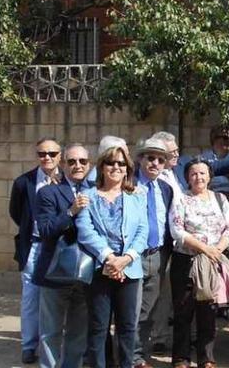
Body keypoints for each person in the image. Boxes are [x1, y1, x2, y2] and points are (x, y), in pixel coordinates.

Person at [76, 146, 150, 368]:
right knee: (98, 327)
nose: (116, 167)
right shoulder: (88, 197)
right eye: (111, 163)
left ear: (127, 169)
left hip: (130, 268)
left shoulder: (137, 197)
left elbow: (142, 231)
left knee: (127, 327)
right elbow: (85, 230)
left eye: (121, 164)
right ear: (102, 168)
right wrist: (110, 258)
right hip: (101, 269)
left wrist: (126, 258)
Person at [168, 158, 229, 368]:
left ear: (209, 176)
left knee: (207, 311)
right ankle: (181, 358)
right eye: (193, 174)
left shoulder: (220, 199)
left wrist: (217, 249)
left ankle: (206, 358)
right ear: (188, 178)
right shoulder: (181, 199)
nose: (198, 177)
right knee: (183, 311)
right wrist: (204, 248)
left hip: (212, 261)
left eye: (202, 173)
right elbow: (177, 230)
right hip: (186, 260)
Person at [32, 143, 91, 368]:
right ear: (63, 164)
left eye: (83, 161)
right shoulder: (48, 192)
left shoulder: (96, 191)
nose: (77, 165)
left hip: (86, 274)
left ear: (89, 164)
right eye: (72, 161)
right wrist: (70, 211)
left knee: (78, 332)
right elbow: (46, 230)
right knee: (51, 332)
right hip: (54, 273)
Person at [11, 136, 63, 364]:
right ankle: (29, 346)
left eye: (52, 154)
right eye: (42, 154)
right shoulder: (24, 182)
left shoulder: (68, 180)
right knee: (31, 299)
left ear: (60, 155)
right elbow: (16, 213)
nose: (47, 158)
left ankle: (55, 347)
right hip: (33, 247)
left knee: (58, 300)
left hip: (60, 250)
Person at [132, 138, 176, 368]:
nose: (155, 163)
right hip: (132, 256)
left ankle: (139, 356)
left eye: (161, 159)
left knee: (148, 310)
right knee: (130, 309)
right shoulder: (127, 184)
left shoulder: (166, 189)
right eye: (150, 157)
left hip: (158, 255)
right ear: (140, 159)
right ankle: (127, 355)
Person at [201, 125, 229, 196]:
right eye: (225, 138)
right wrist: (227, 178)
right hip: (212, 195)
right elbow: (203, 181)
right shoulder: (204, 159)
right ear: (214, 139)